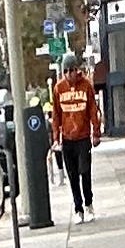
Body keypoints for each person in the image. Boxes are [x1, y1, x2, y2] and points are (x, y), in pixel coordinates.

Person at [50, 61, 98, 213]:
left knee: (85, 171)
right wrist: (56, 138)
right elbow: (56, 115)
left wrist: (96, 133)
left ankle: (88, 203)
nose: (69, 73)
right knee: (72, 175)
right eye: (66, 70)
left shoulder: (86, 85)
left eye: (72, 70)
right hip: (67, 139)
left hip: (83, 137)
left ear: (76, 70)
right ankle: (78, 208)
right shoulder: (59, 88)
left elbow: (92, 110)